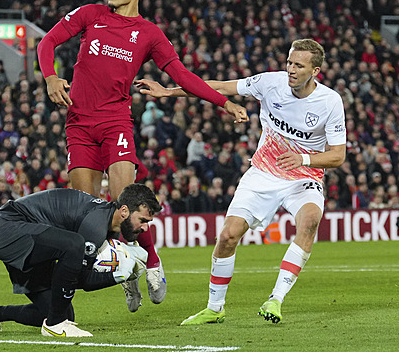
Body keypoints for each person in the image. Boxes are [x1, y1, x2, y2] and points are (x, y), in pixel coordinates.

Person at [36, 0, 249, 311]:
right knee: (87, 215)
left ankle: (151, 262)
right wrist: (50, 77)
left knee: (127, 203)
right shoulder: (90, 14)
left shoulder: (149, 33)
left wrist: (223, 103)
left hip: (115, 122)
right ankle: (126, 272)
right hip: (79, 125)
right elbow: (48, 41)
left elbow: (182, 75)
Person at [138, 39, 347, 324]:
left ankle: (275, 300)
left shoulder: (330, 101)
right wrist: (168, 92)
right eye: (289, 62)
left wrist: (305, 160)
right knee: (227, 237)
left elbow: (337, 156)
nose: (291, 69)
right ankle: (215, 308)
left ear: (316, 71)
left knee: (310, 221)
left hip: (303, 176)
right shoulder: (270, 83)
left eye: (299, 65)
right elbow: (219, 86)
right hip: (263, 172)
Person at [0, 183, 161, 337]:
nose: (145, 228)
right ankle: (54, 326)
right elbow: (80, 278)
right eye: (143, 220)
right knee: (74, 245)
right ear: (124, 211)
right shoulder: (96, 226)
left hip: (30, 235)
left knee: (63, 311)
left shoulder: (106, 223)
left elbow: (73, 277)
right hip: (8, 228)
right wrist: (118, 275)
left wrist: (119, 275)